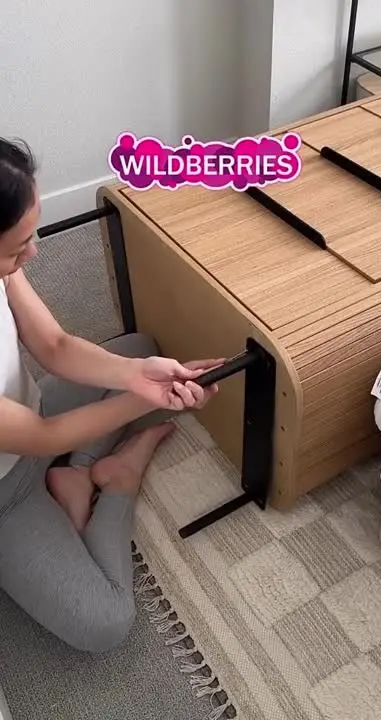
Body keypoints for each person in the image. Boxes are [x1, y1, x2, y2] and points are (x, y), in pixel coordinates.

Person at [0, 137, 223, 653]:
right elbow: (43, 437)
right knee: (105, 622)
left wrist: (137, 374)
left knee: (142, 349)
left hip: (32, 416)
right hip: (6, 492)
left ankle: (77, 475)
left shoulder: (5, 264)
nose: (33, 253)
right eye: (16, 248)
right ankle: (117, 481)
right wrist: (149, 396)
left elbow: (54, 345)